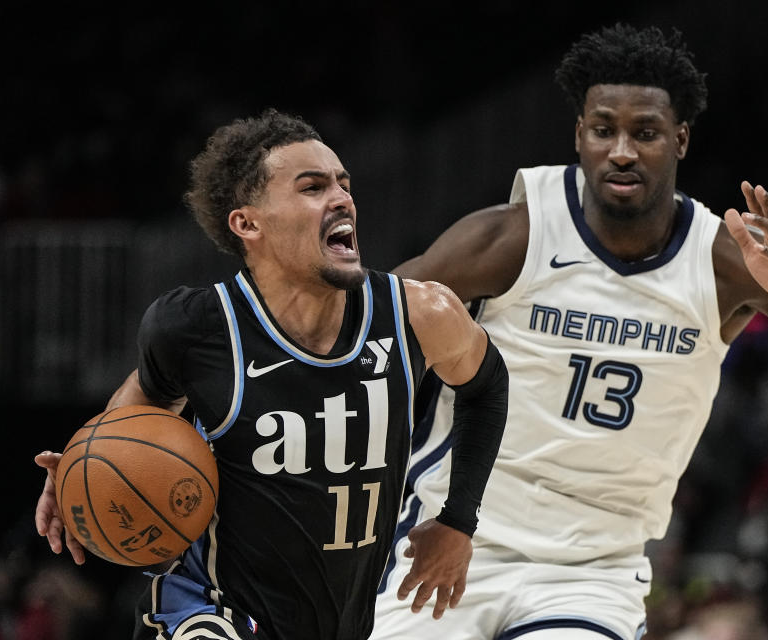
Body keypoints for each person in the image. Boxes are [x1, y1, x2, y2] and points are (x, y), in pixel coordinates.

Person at [372, 23, 768, 640]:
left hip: (591, 574)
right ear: (578, 136)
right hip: (451, 540)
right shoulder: (513, 236)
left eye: (645, 133)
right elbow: (366, 337)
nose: (621, 150)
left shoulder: (726, 260)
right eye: (603, 129)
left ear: (680, 140)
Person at [33, 109, 509, 640]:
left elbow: (486, 387)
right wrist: (79, 470)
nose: (341, 197)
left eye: (343, 184)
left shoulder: (420, 314)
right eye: (312, 187)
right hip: (210, 610)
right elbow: (134, 418)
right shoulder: (195, 327)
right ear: (248, 223)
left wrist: (458, 520)